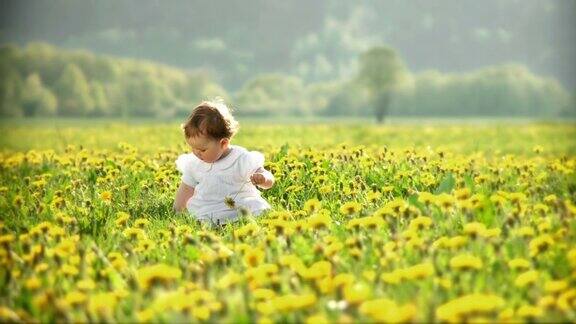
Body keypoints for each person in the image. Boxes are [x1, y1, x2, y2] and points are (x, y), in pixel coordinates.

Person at [173, 100, 274, 226]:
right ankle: (215, 224)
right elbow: (186, 189)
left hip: (241, 206)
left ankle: (246, 222)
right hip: (211, 208)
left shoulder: (240, 158)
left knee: (257, 207)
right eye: (193, 148)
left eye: (202, 149)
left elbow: (267, 178)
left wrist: (263, 179)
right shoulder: (194, 164)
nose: (196, 153)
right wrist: (177, 212)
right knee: (202, 217)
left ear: (223, 143)